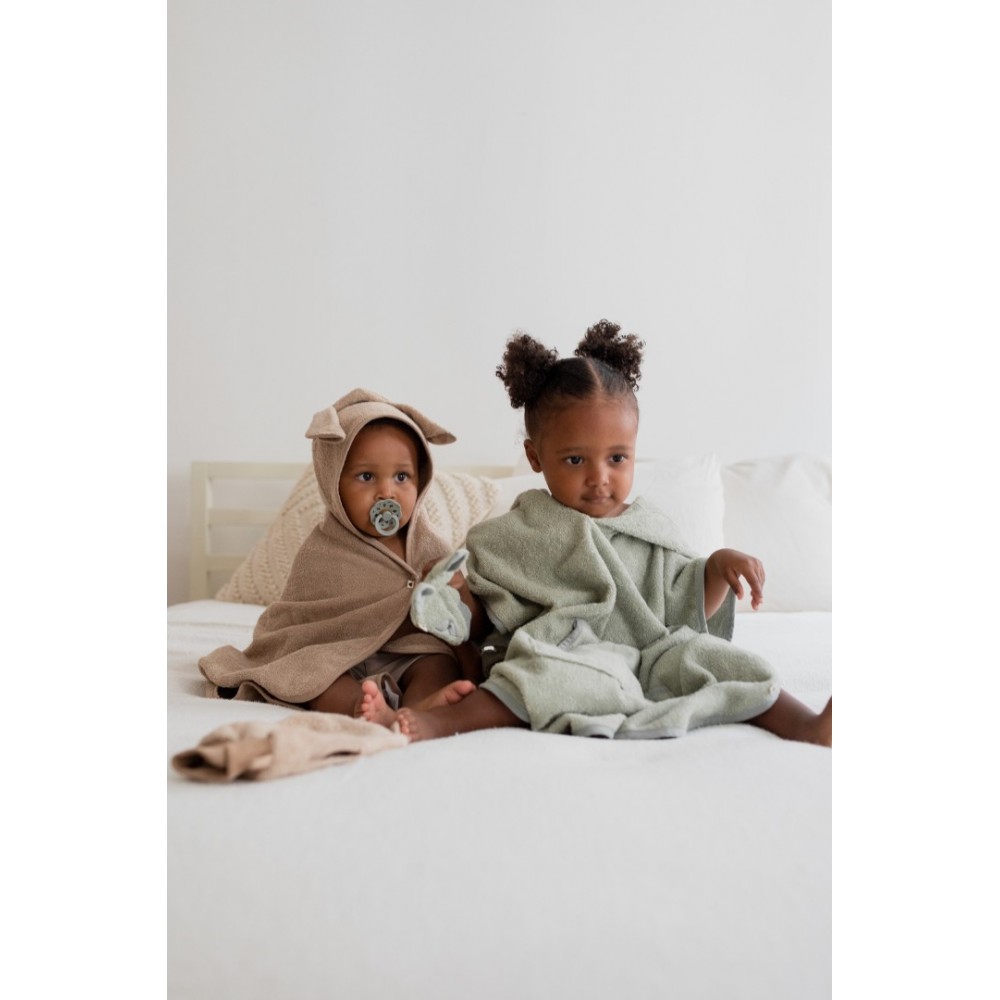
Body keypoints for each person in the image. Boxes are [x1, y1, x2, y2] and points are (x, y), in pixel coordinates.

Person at [391, 321, 832, 746]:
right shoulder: (514, 534)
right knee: (539, 677)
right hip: (567, 654)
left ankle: (807, 726)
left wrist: (717, 569)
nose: (599, 478)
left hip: (656, 654)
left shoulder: (650, 528)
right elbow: (487, 619)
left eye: (617, 458)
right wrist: (458, 594)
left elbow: (685, 610)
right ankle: (439, 722)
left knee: (723, 660)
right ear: (535, 456)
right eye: (575, 460)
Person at [198, 388, 482, 724]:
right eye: (366, 477)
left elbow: (462, 622)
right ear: (333, 482)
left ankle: (419, 707)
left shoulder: (428, 545)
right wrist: (311, 657)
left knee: (437, 663)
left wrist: (456, 588)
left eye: (401, 477)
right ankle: (362, 707)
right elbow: (300, 623)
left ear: (420, 480)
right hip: (335, 655)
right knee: (311, 676)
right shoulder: (322, 551)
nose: (386, 493)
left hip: (408, 651)